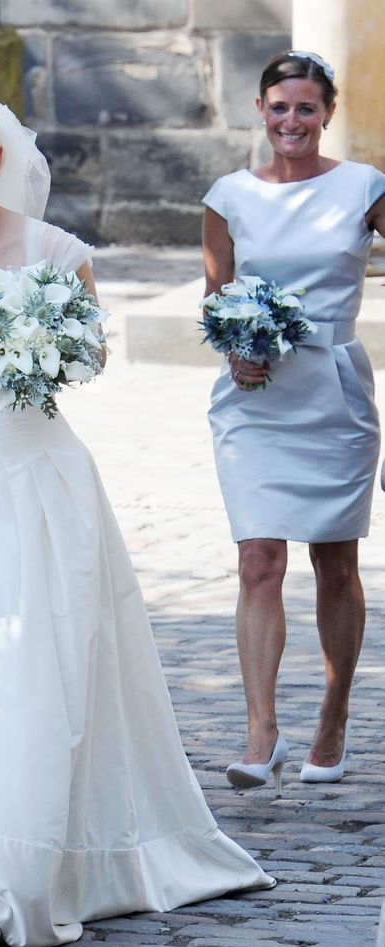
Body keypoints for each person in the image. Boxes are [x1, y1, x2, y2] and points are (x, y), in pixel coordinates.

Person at [0, 93, 274, 947]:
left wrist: (46, 338)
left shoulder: (56, 252)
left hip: (35, 484)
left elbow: (88, 358)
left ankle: (6, 875)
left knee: (29, 675)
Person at [203, 52, 385, 794]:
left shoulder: (364, 185)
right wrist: (234, 349)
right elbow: (214, 297)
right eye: (279, 108)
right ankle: (260, 730)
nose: (291, 122)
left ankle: (334, 717)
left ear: (327, 114)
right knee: (258, 560)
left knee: (334, 563)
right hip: (255, 400)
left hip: (334, 393)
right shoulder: (228, 195)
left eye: (306, 109)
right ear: (260, 108)